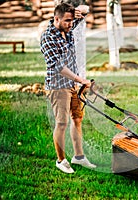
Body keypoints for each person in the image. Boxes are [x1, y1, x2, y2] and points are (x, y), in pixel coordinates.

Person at [40, 2, 96, 174]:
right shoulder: (48, 37)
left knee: (77, 119)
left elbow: (85, 11)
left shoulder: (67, 27)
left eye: (72, 21)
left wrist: (81, 10)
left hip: (73, 85)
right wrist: (81, 79)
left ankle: (78, 157)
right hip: (58, 86)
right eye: (67, 21)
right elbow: (58, 66)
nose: (71, 24)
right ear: (56, 19)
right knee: (62, 122)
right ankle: (61, 160)